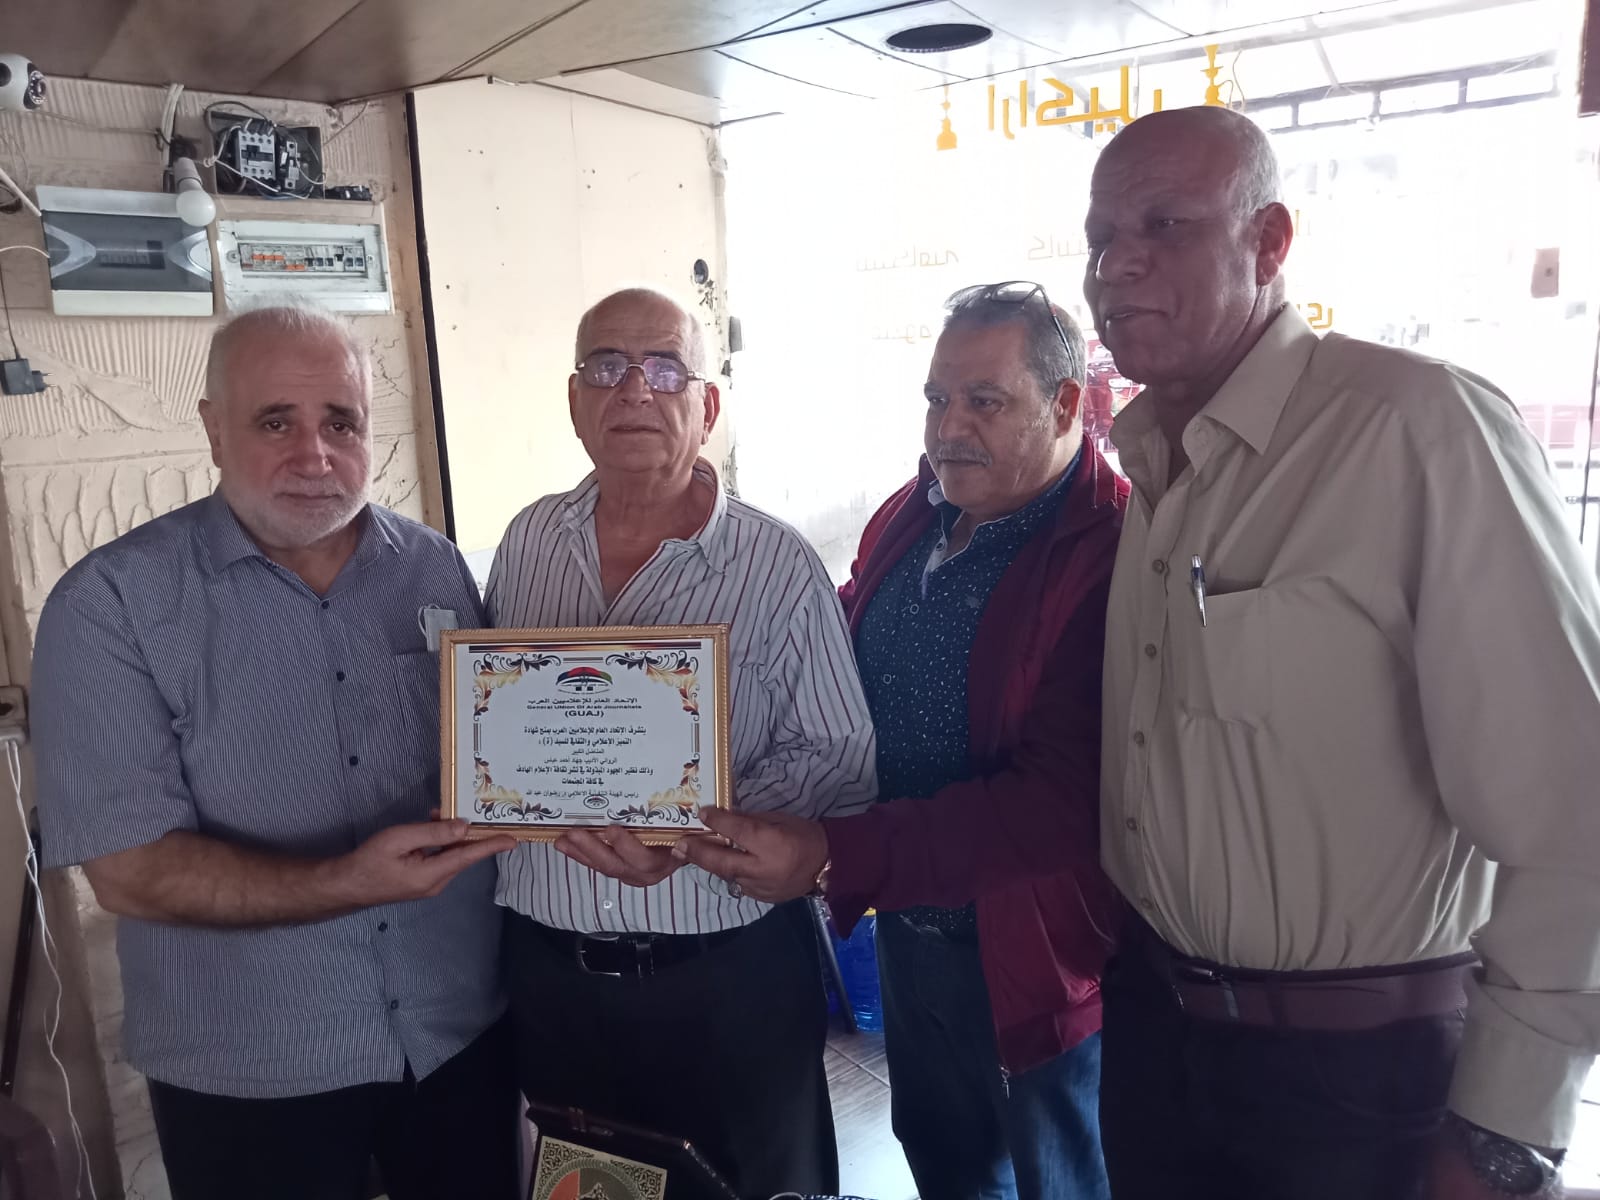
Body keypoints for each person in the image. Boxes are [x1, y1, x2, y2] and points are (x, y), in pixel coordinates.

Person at [1088, 104, 1600, 1200]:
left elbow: (1575, 818)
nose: (1115, 265)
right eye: (1101, 236)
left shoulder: (1414, 428)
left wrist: (1505, 1133)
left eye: (1165, 225)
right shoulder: (1150, 465)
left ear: (1269, 242)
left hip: (1356, 1084)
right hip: (1156, 1047)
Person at [31, 306, 519, 1200]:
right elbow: (130, 874)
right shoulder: (111, 604)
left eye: (341, 422)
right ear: (214, 429)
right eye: (274, 422)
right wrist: (348, 882)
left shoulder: (435, 568)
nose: (314, 455)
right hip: (249, 1071)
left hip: (458, 1038)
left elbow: (502, 767)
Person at [681, 281, 1126, 1200]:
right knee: (947, 1168)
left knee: (1058, 1179)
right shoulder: (914, 511)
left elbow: (1055, 802)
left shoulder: (1107, 548)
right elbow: (838, 648)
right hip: (909, 936)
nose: (948, 428)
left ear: (1066, 405)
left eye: (984, 401)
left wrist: (831, 854)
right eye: (936, 397)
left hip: (1035, 962)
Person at [485, 287, 876, 1197]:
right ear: (574, 399)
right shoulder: (528, 540)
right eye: (606, 367)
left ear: (707, 406)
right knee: (593, 1187)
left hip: (725, 982)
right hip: (555, 980)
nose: (634, 389)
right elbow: (498, 721)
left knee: (753, 1186)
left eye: (665, 368)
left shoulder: (777, 564)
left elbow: (838, 760)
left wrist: (690, 832)